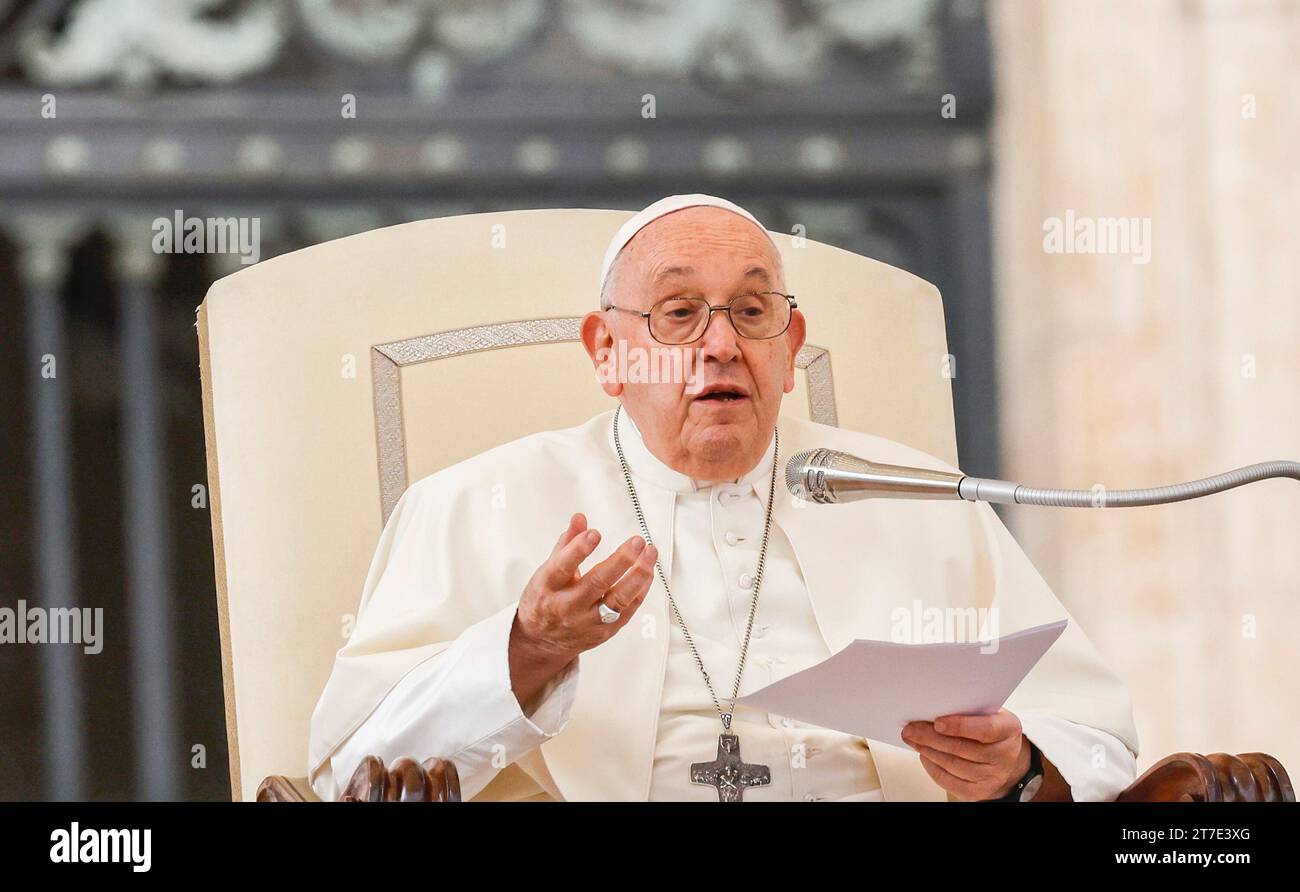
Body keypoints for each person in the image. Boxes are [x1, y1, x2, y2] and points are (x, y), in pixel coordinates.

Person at [307, 193, 1138, 802]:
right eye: (678, 314)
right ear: (609, 352)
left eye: (751, 311)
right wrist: (528, 650)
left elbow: (1098, 743)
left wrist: (1018, 768)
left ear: (790, 350)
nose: (721, 345)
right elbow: (353, 775)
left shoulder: (921, 500)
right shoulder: (473, 506)